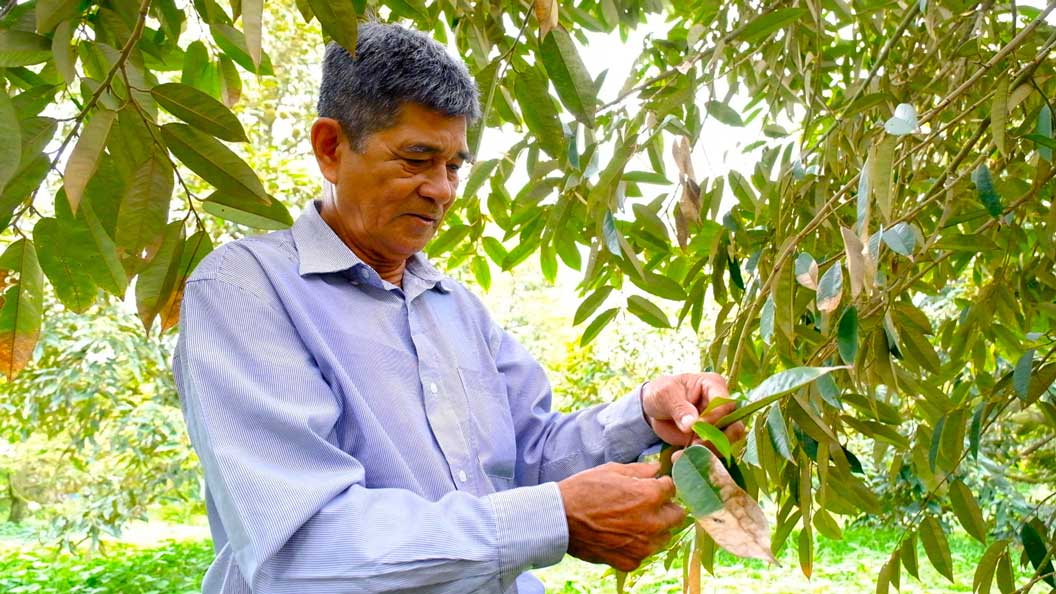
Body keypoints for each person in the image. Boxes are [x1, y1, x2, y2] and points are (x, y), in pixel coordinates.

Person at [173, 22, 744, 594]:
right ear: (331, 148)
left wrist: (646, 415)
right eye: (416, 159)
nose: (442, 190)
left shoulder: (456, 309)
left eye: (452, 166)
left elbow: (530, 457)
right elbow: (304, 547)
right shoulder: (245, 290)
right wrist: (553, 518)